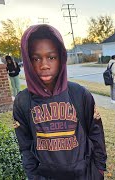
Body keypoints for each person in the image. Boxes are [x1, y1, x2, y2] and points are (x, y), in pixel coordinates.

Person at [13, 24, 107, 180]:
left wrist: (99, 170)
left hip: (84, 174)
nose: (44, 65)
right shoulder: (23, 102)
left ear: (61, 58)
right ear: (28, 61)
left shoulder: (80, 94)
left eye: (51, 57)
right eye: (36, 58)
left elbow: (96, 135)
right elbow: (25, 146)